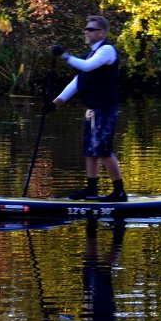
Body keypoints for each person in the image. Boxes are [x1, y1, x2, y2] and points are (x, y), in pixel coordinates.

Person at [47, 14, 127, 201]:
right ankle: (91, 189)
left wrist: (64, 56)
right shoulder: (90, 54)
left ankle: (119, 192)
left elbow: (88, 67)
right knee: (90, 150)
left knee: (103, 150)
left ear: (101, 33)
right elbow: (78, 81)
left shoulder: (107, 51)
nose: (86, 32)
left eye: (91, 29)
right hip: (92, 109)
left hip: (105, 108)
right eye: (86, 29)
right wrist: (55, 103)